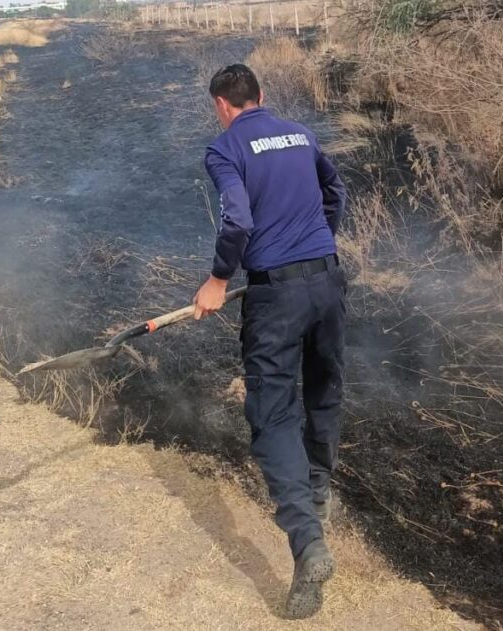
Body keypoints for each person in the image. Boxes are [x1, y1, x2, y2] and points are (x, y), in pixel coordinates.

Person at [192, 64, 348, 619]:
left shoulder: (224, 149)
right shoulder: (301, 133)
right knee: (323, 391)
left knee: (273, 413)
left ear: (222, 105)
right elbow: (336, 190)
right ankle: (320, 492)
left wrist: (217, 280)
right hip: (327, 281)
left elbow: (236, 218)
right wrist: (318, 240)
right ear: (261, 97)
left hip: (275, 299)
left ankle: (307, 543)